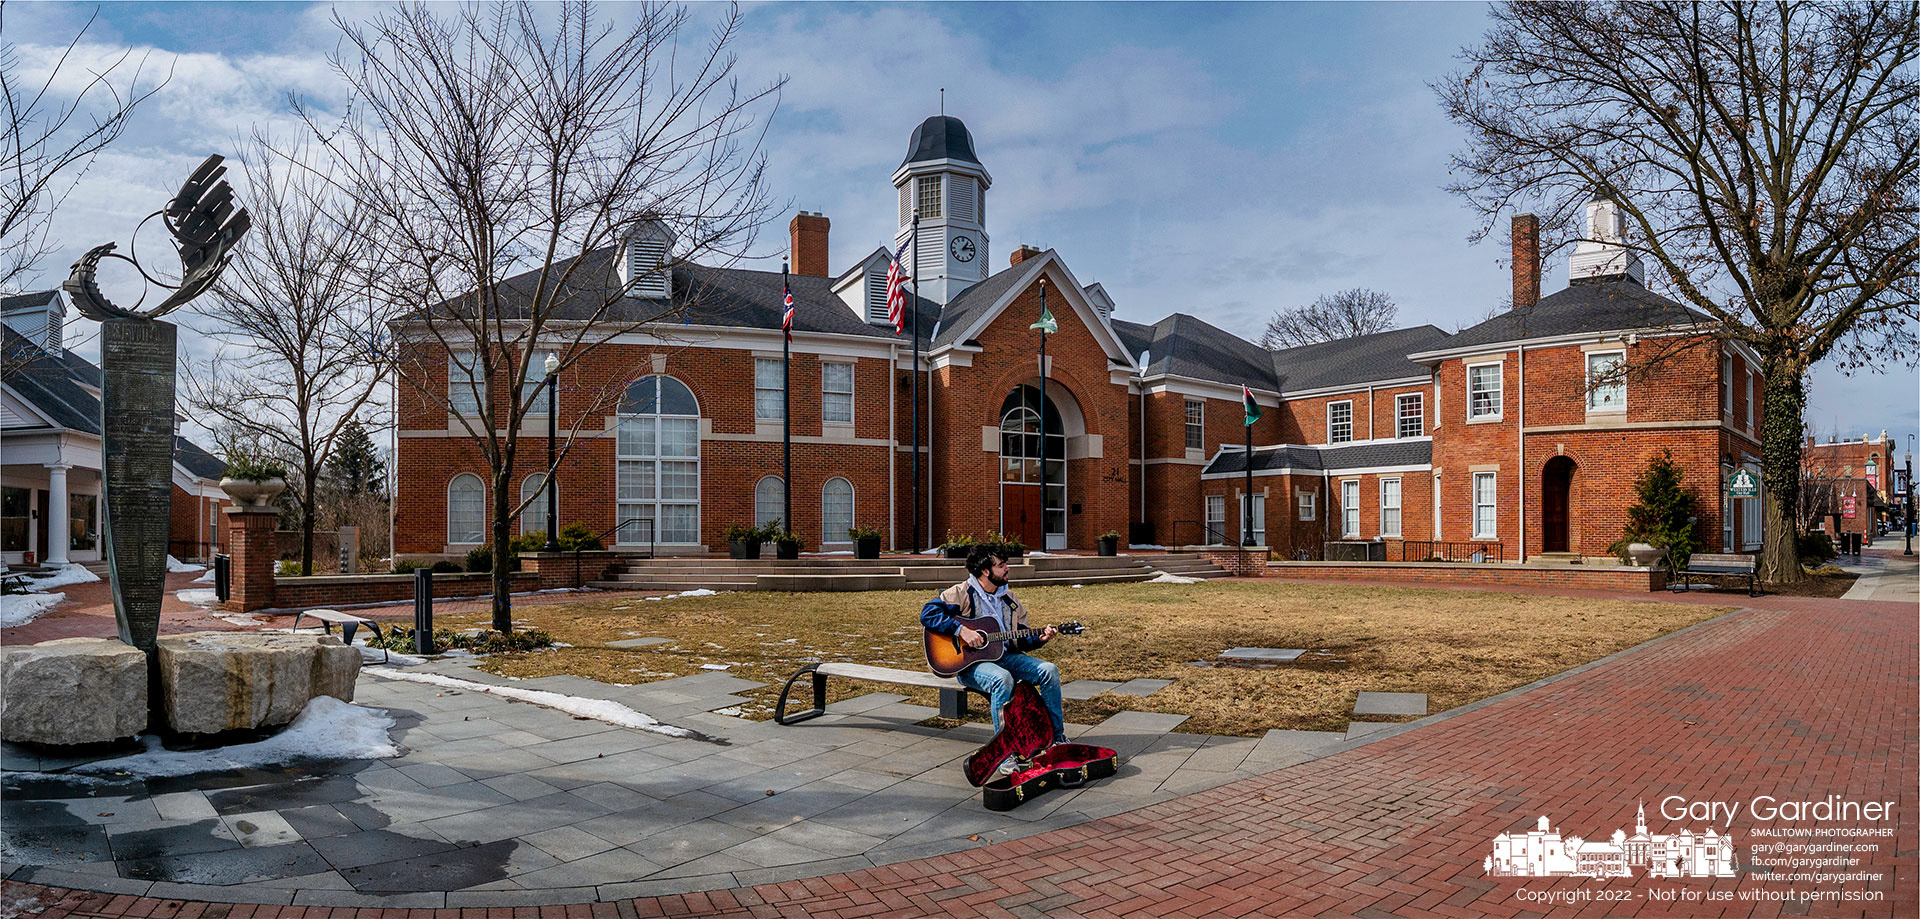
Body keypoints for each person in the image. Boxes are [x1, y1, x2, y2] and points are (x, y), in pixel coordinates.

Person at [920, 544, 1066, 772]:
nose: (1007, 569)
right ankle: (1004, 753)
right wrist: (962, 631)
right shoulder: (962, 592)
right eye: (1001, 565)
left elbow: (1021, 639)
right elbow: (928, 613)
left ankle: (1056, 739)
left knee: (1049, 671)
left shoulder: (1009, 599)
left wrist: (1040, 638)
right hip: (971, 664)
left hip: (1005, 657)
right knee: (1002, 679)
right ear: (985, 571)